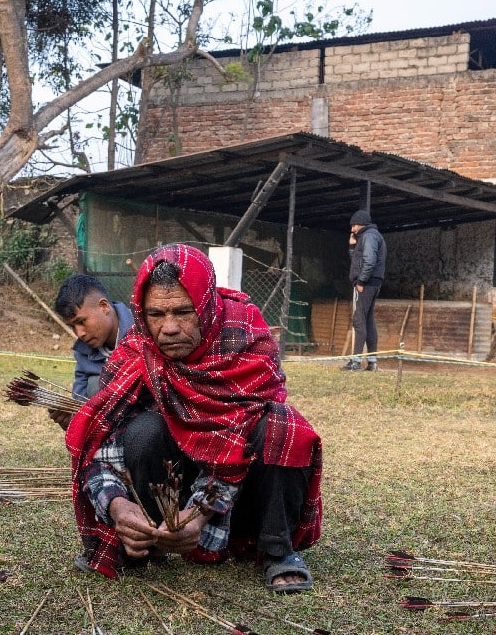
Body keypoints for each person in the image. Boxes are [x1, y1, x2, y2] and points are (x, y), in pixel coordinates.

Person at [66, 244, 323, 593]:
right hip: (171, 491)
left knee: (284, 427)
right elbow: (102, 440)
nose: (169, 328)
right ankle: (149, 539)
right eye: (156, 314)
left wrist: (201, 513)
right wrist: (116, 504)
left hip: (241, 489)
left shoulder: (244, 333)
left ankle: (276, 548)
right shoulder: (137, 346)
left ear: (205, 304)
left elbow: (238, 437)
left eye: (183, 312)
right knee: (143, 430)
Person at [54, 273, 133, 404]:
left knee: (97, 384)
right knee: (94, 385)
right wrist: (72, 417)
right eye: (72, 326)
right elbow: (80, 401)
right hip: (107, 421)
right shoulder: (84, 351)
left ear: (104, 306)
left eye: (81, 321)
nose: (79, 334)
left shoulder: (145, 330)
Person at [343, 209, 386, 371]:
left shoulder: (368, 236)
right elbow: (358, 260)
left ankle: (355, 362)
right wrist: (352, 247)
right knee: (368, 321)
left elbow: (369, 260)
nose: (352, 229)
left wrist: (361, 280)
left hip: (366, 284)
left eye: (353, 225)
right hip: (374, 283)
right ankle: (372, 362)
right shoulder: (373, 236)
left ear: (360, 224)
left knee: (359, 320)